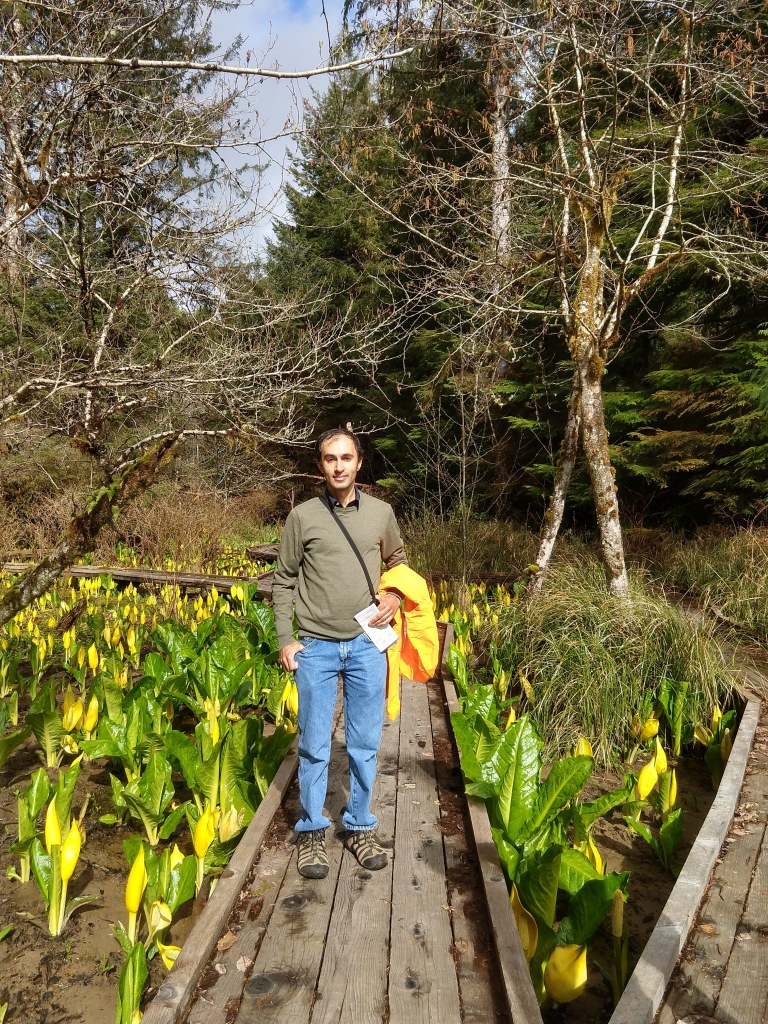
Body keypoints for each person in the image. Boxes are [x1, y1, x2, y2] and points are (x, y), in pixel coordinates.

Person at [271, 428, 407, 879]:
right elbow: (283, 580)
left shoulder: (382, 513)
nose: (338, 466)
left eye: (346, 457)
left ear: (359, 463)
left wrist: (396, 599)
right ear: (320, 466)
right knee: (313, 744)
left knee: (365, 743)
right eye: (330, 458)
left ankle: (360, 825)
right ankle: (312, 831)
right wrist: (286, 640)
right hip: (316, 646)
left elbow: (398, 562)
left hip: (368, 644)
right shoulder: (303, 517)